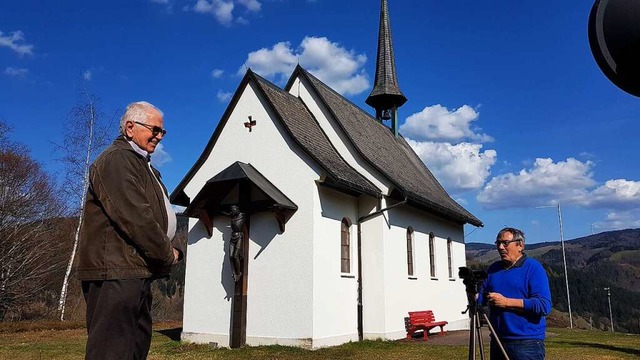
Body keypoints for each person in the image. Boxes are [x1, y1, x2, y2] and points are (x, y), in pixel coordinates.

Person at [77, 101, 183, 360]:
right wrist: (167, 253)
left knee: (134, 348)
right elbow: (136, 217)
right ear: (130, 127)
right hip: (115, 271)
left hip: (134, 270)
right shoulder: (117, 159)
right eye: (155, 129)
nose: (159, 136)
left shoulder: (144, 165)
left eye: (162, 132)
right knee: (112, 351)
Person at [477, 227, 552, 360]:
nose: (500, 247)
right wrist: (473, 294)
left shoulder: (533, 268)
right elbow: (481, 299)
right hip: (498, 341)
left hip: (526, 343)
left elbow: (543, 305)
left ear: (520, 245)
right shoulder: (494, 269)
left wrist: (506, 302)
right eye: (498, 243)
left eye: (505, 243)